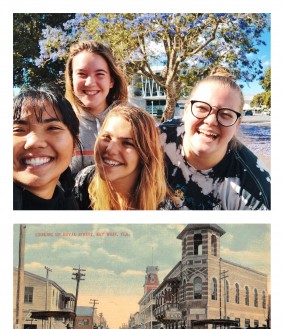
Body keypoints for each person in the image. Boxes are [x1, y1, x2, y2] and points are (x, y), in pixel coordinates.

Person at [160, 66, 271, 210]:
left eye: (225, 114)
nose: (211, 121)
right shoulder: (156, 139)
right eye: (202, 108)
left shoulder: (255, 192)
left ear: (237, 124)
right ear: (186, 111)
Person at [73, 105, 181, 210]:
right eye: (106, 137)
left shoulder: (166, 209)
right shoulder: (84, 181)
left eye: (127, 143)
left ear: (145, 154)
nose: (110, 149)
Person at [65, 40, 128, 175]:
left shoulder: (132, 123)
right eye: (82, 74)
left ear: (111, 81)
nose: (90, 82)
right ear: (71, 79)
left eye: (100, 74)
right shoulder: (60, 124)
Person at [13, 86, 81, 210]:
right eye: (18, 130)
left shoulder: (70, 206)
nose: (34, 142)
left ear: (74, 144)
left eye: (52, 128)